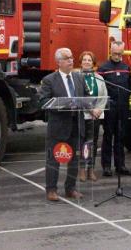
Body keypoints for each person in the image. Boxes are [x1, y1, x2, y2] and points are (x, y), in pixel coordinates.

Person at [40, 48, 88, 201]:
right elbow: (43, 101)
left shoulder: (79, 78)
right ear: (59, 62)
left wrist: (92, 107)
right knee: (53, 159)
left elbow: (86, 97)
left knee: (74, 158)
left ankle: (70, 188)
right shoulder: (49, 80)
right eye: (67, 58)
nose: (71, 61)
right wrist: (61, 104)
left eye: (72, 58)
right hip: (59, 125)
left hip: (76, 123)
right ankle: (51, 190)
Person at [98, 41, 131, 177]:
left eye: (120, 53)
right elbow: (100, 89)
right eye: (115, 53)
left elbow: (130, 86)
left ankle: (120, 165)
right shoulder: (103, 68)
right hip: (109, 108)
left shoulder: (126, 67)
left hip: (123, 108)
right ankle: (106, 166)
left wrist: (124, 100)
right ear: (110, 51)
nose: (117, 56)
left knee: (121, 137)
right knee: (108, 136)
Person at [78, 51, 105, 182]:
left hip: (96, 115)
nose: (87, 62)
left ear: (93, 63)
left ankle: (91, 170)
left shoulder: (99, 78)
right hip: (83, 114)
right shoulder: (76, 77)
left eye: (89, 60)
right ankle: (82, 169)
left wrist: (98, 109)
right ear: (81, 62)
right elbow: (78, 97)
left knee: (93, 143)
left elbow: (104, 96)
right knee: (84, 143)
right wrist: (90, 109)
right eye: (85, 60)